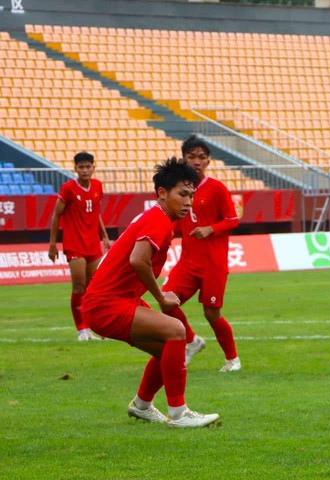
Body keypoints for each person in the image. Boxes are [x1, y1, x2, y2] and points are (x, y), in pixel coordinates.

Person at [81, 157, 220, 428]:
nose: (189, 201)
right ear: (162, 193)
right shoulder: (157, 219)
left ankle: (142, 405)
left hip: (111, 301)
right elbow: (137, 260)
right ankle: (179, 414)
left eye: (191, 195)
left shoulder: (154, 216)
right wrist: (161, 297)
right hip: (106, 304)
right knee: (177, 331)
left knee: (169, 349)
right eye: (182, 194)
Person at [162, 135, 241, 372]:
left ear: (208, 161)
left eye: (202, 157)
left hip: (213, 263)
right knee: (167, 302)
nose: (197, 161)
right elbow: (176, 222)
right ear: (183, 159)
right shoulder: (179, 190)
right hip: (188, 262)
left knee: (211, 312)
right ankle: (192, 341)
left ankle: (232, 359)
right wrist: (164, 237)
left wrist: (211, 229)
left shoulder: (216, 188)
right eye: (191, 157)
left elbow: (232, 219)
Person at [48, 151, 110, 341]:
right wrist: (52, 244)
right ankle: (81, 329)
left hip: (92, 244)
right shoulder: (68, 189)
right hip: (74, 244)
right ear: (75, 169)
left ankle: (94, 326)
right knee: (79, 286)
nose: (84, 170)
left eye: (87, 166)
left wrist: (104, 236)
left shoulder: (98, 186)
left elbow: (96, 212)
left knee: (94, 288)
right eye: (80, 167)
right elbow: (56, 214)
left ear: (93, 167)